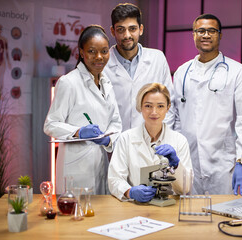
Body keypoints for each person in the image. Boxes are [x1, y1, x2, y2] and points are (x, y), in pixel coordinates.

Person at [173, 14, 242, 196]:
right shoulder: (182, 72)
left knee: (225, 217)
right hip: (189, 161)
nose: (206, 35)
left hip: (224, 163)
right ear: (194, 35)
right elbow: (177, 117)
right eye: (201, 31)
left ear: (220, 35)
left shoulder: (238, 72)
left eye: (212, 31)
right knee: (192, 217)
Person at [44, 25, 122, 195]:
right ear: (81, 52)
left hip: (101, 164)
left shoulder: (106, 83)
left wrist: (107, 140)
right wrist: (79, 131)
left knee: (100, 216)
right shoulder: (68, 82)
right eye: (92, 51)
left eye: (104, 51)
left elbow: (116, 123)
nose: (99, 57)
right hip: (75, 168)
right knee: (75, 218)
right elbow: (50, 125)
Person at [108, 83, 192, 202]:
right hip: (135, 206)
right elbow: (114, 179)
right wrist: (129, 192)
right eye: (148, 106)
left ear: (168, 108)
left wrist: (176, 165)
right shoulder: (125, 138)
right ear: (140, 107)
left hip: (170, 207)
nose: (154, 112)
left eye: (160, 106)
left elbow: (184, 188)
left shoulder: (179, 140)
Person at [103, 3, 175, 132]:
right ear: (112, 31)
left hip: (152, 141)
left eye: (132, 29)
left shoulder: (157, 58)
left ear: (141, 29)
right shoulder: (103, 64)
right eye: (120, 29)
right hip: (115, 143)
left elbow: (170, 103)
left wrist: (162, 138)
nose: (127, 35)